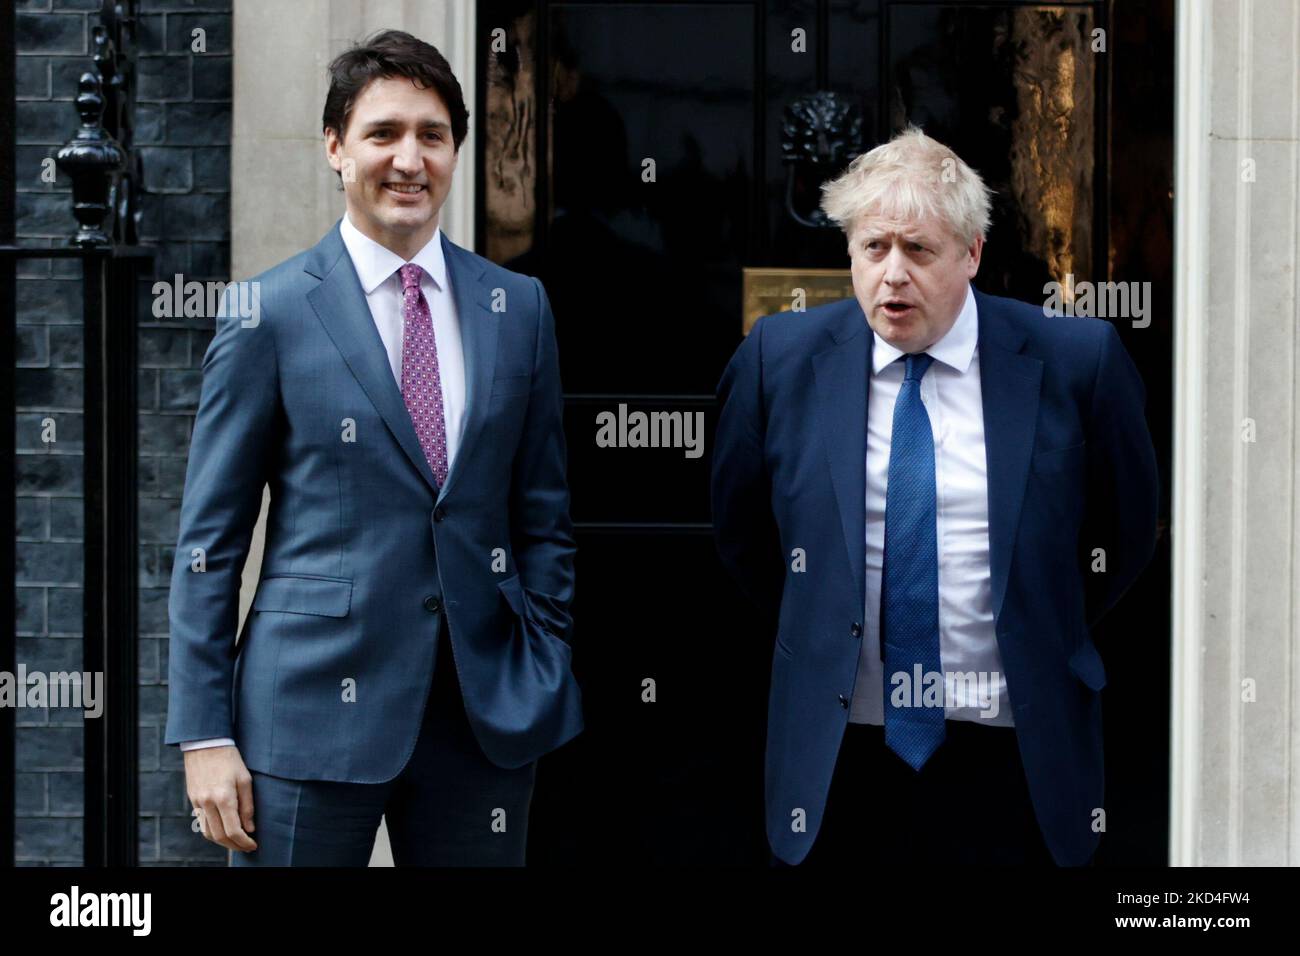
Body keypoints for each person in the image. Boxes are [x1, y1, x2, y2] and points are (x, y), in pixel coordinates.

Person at [165, 30, 581, 866]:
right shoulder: (268, 313)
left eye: (432, 135)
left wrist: (544, 653)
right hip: (308, 714)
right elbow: (211, 540)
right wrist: (203, 731)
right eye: (383, 133)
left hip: (482, 717)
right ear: (334, 147)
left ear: (456, 149)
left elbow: (543, 514)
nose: (409, 158)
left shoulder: (519, 307)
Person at [711, 127, 1158, 867]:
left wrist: (1039, 621)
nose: (892, 275)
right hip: (840, 751)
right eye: (873, 247)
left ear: (972, 254)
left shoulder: (1078, 361)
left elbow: (1126, 534)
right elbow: (744, 537)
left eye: (917, 250)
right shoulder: (779, 360)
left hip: (1012, 748)